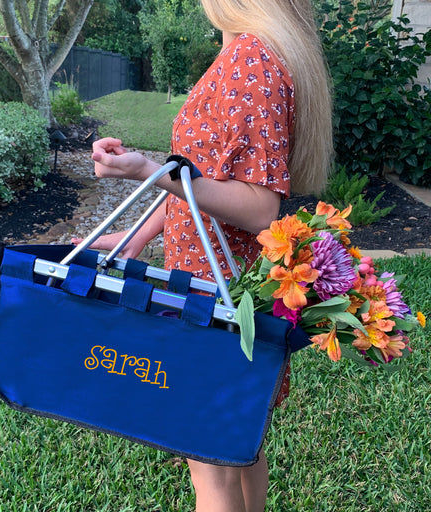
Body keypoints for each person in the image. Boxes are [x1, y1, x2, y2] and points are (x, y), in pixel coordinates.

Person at [74, 0, 333, 509]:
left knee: (209, 466)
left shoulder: (252, 57)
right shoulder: (246, 49)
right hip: (220, 286)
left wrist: (147, 170)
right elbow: (201, 177)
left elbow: (260, 207)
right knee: (238, 443)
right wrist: (140, 234)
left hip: (215, 293)